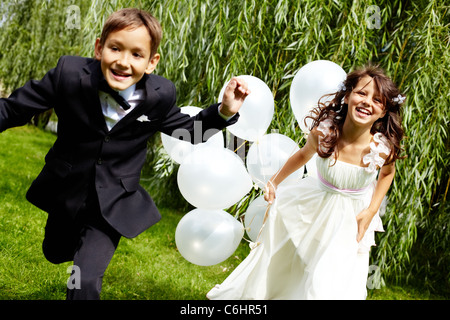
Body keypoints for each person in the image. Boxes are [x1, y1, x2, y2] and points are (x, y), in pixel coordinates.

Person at [0, 8, 249, 300]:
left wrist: (224, 112)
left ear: (151, 62)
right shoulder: (69, 74)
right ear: (99, 48)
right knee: (55, 252)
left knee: (85, 281)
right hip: (67, 189)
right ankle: (68, 245)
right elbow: (14, 108)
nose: (123, 61)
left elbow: (189, 133)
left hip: (113, 201)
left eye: (136, 54)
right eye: (115, 48)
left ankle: (86, 265)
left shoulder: (160, 95)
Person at [207, 65, 405, 300]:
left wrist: (371, 210)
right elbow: (302, 155)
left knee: (333, 275)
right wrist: (274, 182)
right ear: (348, 96)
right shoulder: (325, 133)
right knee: (294, 260)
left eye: (377, 100)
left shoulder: (382, 148)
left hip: (350, 218)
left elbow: (387, 174)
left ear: (383, 112)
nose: (367, 102)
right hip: (315, 205)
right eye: (361, 93)